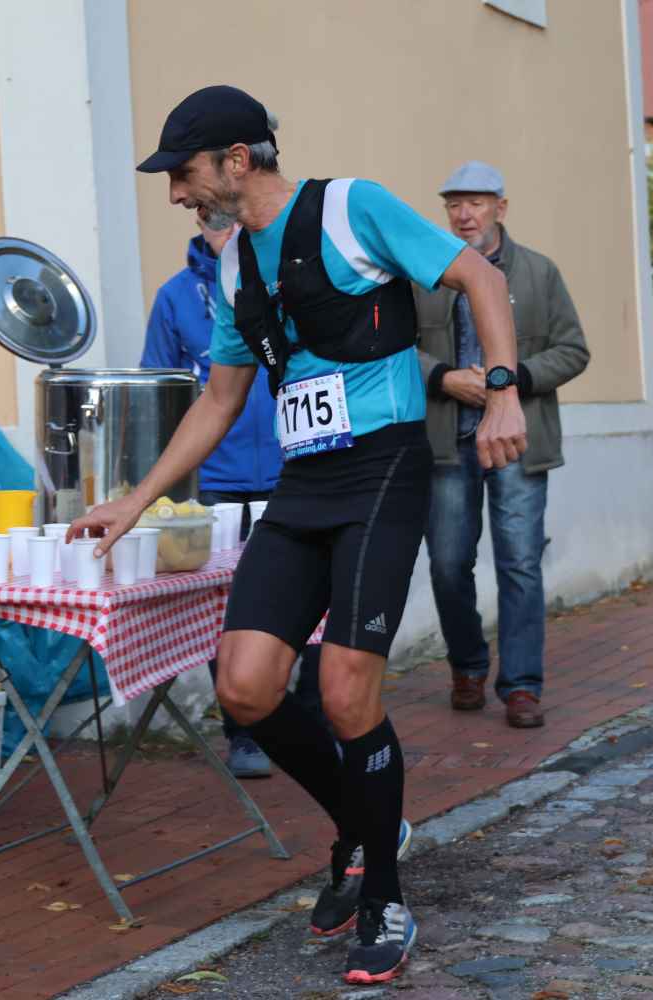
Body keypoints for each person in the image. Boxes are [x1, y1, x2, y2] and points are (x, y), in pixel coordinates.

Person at [71, 85, 527, 985]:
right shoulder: (234, 266)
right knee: (242, 686)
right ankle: (365, 824)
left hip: (384, 470)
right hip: (305, 485)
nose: (177, 193)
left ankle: (385, 894)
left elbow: (483, 277)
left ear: (239, 160)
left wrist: (504, 390)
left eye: (184, 174)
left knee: (347, 691)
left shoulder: (353, 209)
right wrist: (137, 500)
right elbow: (220, 399)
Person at [140, 215, 324, 778]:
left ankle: (313, 716)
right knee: (230, 607)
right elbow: (159, 391)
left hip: (294, 466)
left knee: (313, 596)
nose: (224, 234)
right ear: (198, 223)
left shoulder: (287, 279)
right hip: (215, 480)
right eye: (212, 224)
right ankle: (245, 733)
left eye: (231, 223)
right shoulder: (175, 297)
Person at [415, 162, 589, 730]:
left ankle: (521, 685)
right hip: (447, 442)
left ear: (500, 208)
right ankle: (467, 665)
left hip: (518, 440)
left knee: (520, 563)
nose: (464, 215)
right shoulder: (423, 275)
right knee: (447, 565)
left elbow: (573, 350)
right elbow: (395, 348)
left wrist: (511, 379)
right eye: (454, 204)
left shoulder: (538, 272)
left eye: (476, 203)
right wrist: (443, 377)